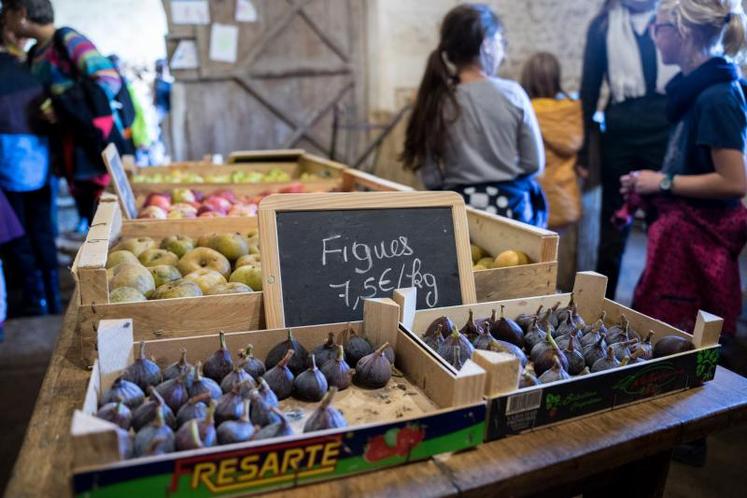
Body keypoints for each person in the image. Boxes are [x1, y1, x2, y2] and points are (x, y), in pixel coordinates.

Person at [621, 0, 747, 342]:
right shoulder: (696, 88)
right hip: (683, 237)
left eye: (659, 27)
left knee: (683, 343)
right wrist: (647, 183)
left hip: (700, 243)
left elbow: (734, 182)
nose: (653, 35)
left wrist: (661, 181)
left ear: (684, 32)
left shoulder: (717, 96)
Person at [401, 3, 547, 227]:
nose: (503, 51)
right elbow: (533, 163)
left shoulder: (435, 101)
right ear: (487, 44)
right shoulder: (512, 94)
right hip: (510, 215)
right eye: (500, 41)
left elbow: (430, 177)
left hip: (459, 217)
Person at [3, 0, 131, 234]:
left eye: (6, 13)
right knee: (90, 215)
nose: (5, 21)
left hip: (93, 145)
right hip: (71, 151)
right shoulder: (34, 54)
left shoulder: (67, 40)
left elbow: (108, 78)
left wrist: (64, 108)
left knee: (107, 215)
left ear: (21, 13)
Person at [580, 0, 678, 299]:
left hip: (664, 133)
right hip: (620, 138)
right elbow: (589, 89)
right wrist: (583, 152)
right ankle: (600, 305)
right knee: (614, 226)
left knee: (663, 226)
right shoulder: (603, 26)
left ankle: (655, 305)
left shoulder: (671, 19)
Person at [0, 7, 60, 315]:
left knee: (20, 234)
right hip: (39, 158)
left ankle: (35, 299)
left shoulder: (22, 66)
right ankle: (52, 297)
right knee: (42, 229)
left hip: (11, 163)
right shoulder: (33, 68)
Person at [521, 52, 583, 289]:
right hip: (564, 199)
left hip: (533, 200)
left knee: (533, 265)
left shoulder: (524, 108)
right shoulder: (571, 111)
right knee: (560, 262)